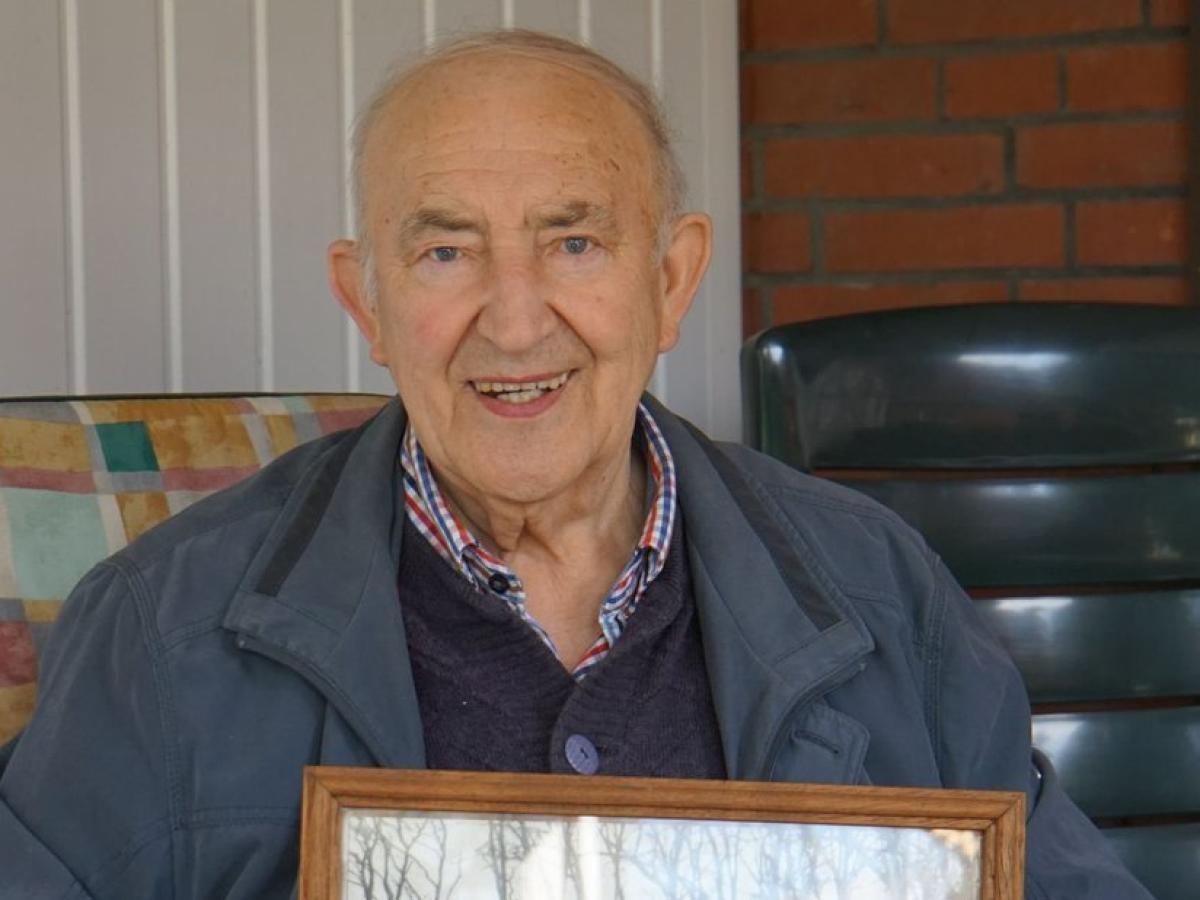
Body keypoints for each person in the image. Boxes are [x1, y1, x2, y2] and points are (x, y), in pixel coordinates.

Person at [0, 29, 1150, 899]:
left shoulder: (881, 594)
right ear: (367, 300)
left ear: (672, 281)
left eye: (575, 242)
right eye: (446, 251)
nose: (514, 323)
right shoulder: (160, 632)